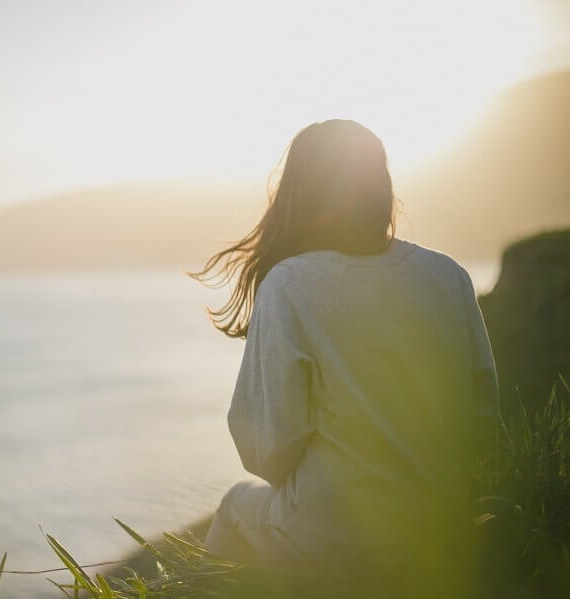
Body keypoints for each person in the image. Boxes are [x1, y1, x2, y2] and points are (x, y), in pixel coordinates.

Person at [190, 119, 499, 594]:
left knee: (235, 506)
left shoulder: (289, 284)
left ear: (298, 193)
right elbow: (483, 419)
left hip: (335, 539)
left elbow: (266, 449)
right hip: (442, 530)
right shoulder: (448, 275)